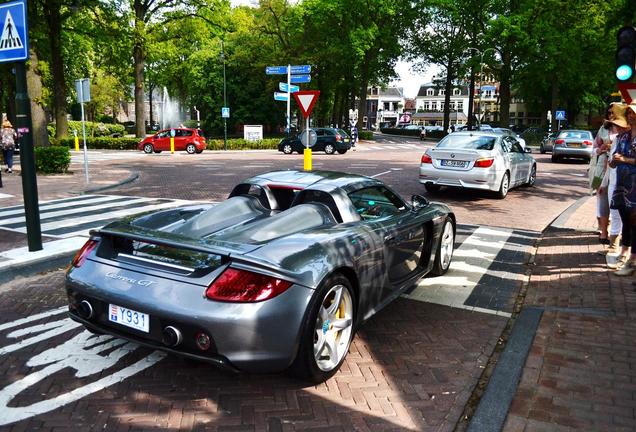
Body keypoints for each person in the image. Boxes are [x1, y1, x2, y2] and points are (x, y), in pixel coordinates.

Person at [594, 103, 628, 252]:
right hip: (613, 182)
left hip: (628, 184)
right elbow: (610, 164)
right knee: (614, 212)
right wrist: (603, 182)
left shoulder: (630, 140)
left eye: (619, 125)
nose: (617, 128)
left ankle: (624, 252)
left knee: (626, 217)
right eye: (615, 125)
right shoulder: (617, 140)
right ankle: (613, 247)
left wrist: (624, 160)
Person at [608, 103, 636, 275]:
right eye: (629, 112)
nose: (632, 115)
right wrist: (613, 160)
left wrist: (624, 159)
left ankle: (632, 260)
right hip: (622, 184)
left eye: (634, 112)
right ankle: (624, 253)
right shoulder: (624, 136)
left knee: (635, 221)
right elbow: (612, 162)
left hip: (635, 185)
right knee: (626, 218)